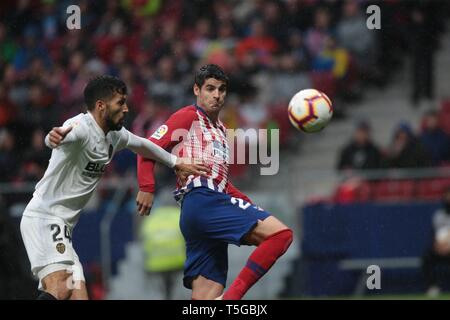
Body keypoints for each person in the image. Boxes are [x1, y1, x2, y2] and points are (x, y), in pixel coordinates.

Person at [20, 75, 210, 300]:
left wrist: (176, 162)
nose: (127, 108)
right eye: (120, 102)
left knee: (78, 296)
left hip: (63, 227)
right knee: (60, 285)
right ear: (101, 106)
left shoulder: (114, 135)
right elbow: (60, 134)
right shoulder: (80, 127)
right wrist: (52, 139)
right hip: (45, 218)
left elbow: (142, 145)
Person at [136, 64, 293, 300]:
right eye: (210, 88)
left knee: (205, 298)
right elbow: (146, 148)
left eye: (221, 89)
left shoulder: (221, 129)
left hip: (200, 212)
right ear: (196, 90)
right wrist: (147, 187)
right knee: (281, 236)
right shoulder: (188, 116)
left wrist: (246, 203)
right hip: (204, 202)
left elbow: (222, 182)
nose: (217, 95)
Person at [140, 205, 185, 300]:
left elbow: (144, 240)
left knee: (161, 291)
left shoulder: (151, 219)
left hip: (155, 263)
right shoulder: (179, 215)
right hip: (177, 261)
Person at [422, 187, 450, 297]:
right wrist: (438, 246)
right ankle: (432, 287)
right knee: (427, 257)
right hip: (440, 248)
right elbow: (436, 233)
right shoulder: (439, 215)